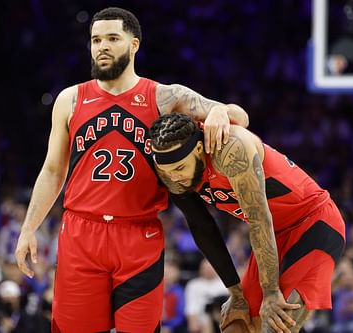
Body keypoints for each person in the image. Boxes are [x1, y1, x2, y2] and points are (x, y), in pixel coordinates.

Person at [14, 7, 249, 333]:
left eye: (113, 38)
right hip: (81, 234)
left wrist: (222, 112)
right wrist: (29, 229)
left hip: (139, 235)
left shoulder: (165, 97)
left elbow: (240, 116)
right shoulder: (70, 99)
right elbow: (53, 171)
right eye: (96, 40)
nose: (102, 46)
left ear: (134, 44)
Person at [149, 113, 346, 333]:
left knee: (278, 324)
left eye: (178, 169)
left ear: (197, 150)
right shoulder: (170, 170)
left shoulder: (230, 149)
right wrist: (235, 291)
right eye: (167, 172)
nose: (174, 178)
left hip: (313, 222)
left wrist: (271, 292)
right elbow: (201, 225)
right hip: (274, 232)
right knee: (236, 325)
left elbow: (259, 219)